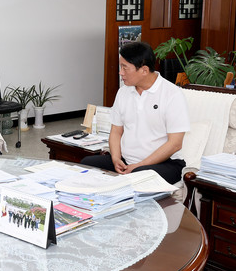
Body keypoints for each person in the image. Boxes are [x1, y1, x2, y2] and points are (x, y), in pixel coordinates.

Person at [81, 41, 190, 184]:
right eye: (120, 67)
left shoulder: (172, 94)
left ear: (144, 70)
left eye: (125, 68)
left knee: (137, 177)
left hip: (166, 163)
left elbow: (175, 144)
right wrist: (116, 158)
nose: (120, 72)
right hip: (127, 161)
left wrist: (140, 165)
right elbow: (116, 131)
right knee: (86, 164)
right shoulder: (123, 92)